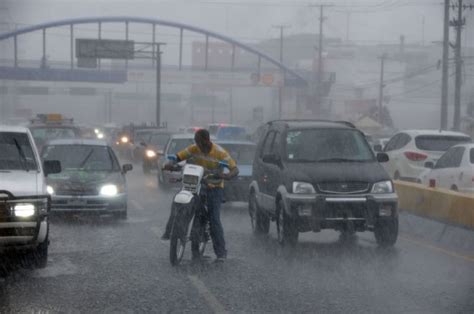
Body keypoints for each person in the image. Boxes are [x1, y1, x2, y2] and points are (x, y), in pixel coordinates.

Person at [162, 129, 239, 262]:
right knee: (178, 203)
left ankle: (221, 253)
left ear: (207, 141)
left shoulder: (220, 152)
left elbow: (235, 169)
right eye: (197, 143)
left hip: (214, 187)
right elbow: (178, 157)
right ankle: (171, 231)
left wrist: (226, 175)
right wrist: (170, 164)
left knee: (214, 220)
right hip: (195, 185)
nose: (199, 147)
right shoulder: (194, 149)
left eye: (201, 143)